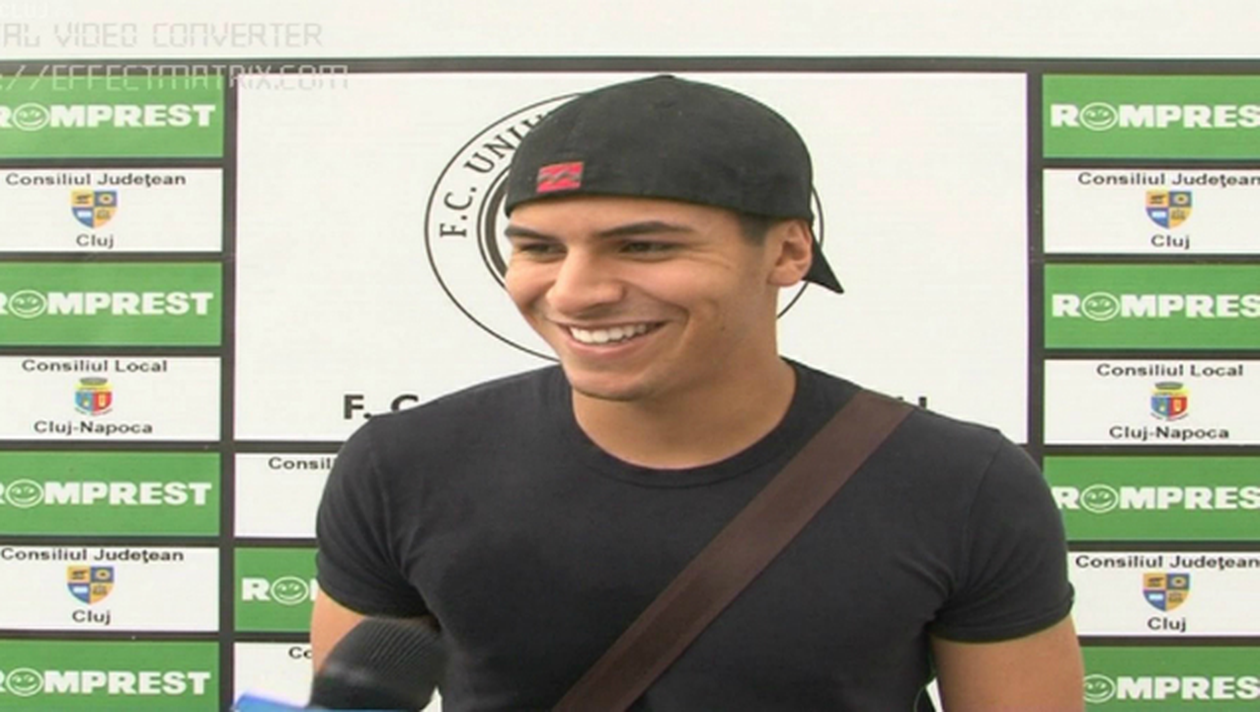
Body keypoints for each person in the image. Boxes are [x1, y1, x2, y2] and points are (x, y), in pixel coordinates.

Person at [311, 75, 1084, 711]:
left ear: (788, 251)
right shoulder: (401, 467)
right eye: (540, 249)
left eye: (644, 245)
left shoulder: (961, 484)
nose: (574, 292)